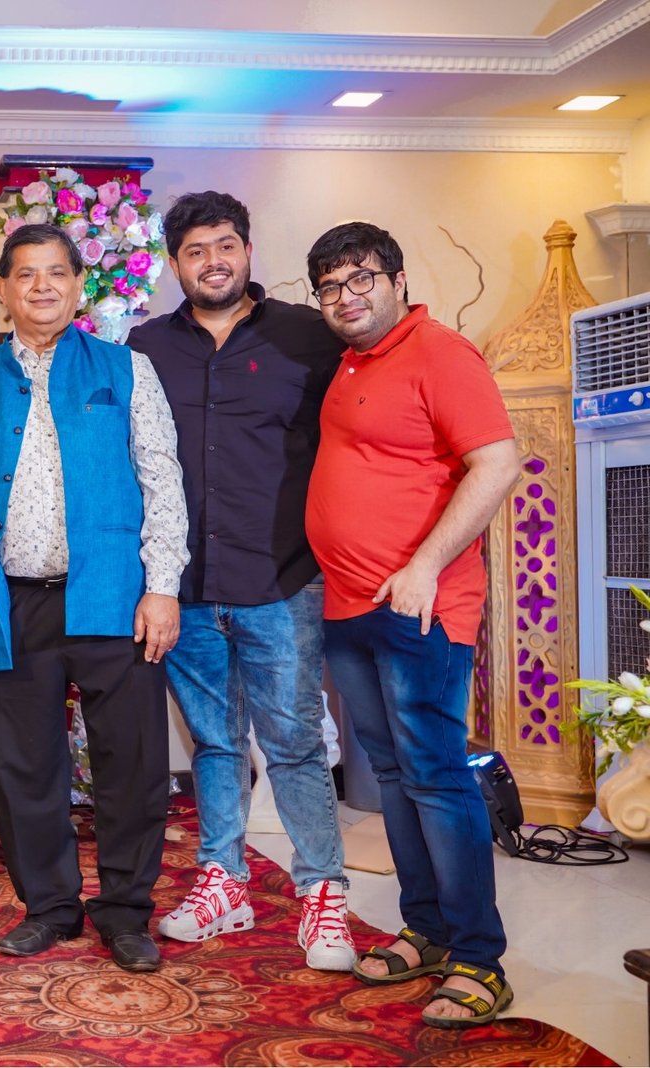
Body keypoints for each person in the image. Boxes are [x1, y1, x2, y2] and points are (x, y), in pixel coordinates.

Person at [0, 223, 187, 972]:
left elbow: (162, 480)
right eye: (25, 274)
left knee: (131, 762)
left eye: (56, 272)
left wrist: (162, 586)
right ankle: (49, 906)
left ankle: (126, 911)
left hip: (113, 596)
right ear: (3, 289)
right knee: (23, 768)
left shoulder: (127, 369)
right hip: (7, 601)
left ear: (79, 285)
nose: (42, 286)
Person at [127, 191, 354, 970]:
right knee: (216, 744)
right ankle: (222, 881)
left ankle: (322, 893)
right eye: (195, 251)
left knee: (294, 745)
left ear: (248, 251)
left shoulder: (308, 335)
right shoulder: (147, 346)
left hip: (282, 578)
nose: (212, 261)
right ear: (174, 264)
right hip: (185, 587)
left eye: (225, 245)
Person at [305, 221, 519, 1028]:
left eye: (360, 278)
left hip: (419, 606)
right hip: (349, 604)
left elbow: (497, 462)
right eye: (330, 287)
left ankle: (479, 960)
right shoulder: (353, 362)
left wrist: (424, 565)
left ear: (397, 280)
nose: (345, 297)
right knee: (394, 775)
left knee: (434, 773)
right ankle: (427, 930)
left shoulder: (441, 353)